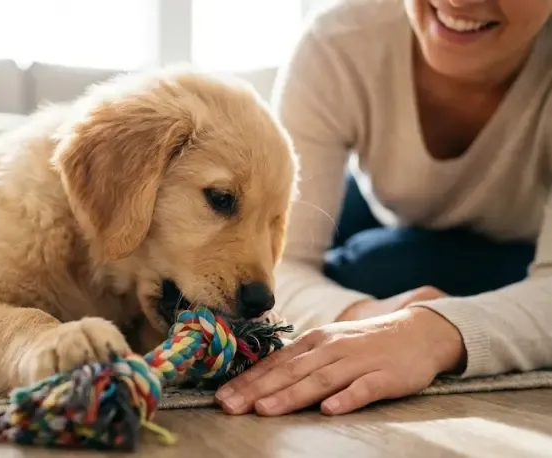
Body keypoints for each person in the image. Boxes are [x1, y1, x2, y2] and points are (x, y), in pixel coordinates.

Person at [215, 0, 552, 417]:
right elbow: (279, 266)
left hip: (521, 242)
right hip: (379, 202)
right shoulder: (340, 40)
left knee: (382, 267)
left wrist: (432, 331)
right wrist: (367, 314)